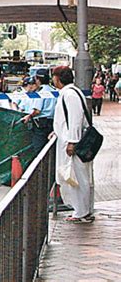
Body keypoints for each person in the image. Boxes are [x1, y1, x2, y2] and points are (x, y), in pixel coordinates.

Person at [52, 66, 94, 223]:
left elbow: (75, 119)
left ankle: (81, 211)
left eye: (54, 76)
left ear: (58, 78)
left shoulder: (70, 94)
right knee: (77, 177)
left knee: (76, 177)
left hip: (74, 143)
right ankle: (82, 210)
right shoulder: (71, 92)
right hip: (70, 140)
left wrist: (72, 142)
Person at [22, 69, 57, 154]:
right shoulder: (54, 90)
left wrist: (29, 116)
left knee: (39, 149)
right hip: (52, 122)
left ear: (38, 79)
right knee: (50, 148)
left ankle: (41, 167)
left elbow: (37, 110)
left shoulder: (41, 92)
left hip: (41, 124)